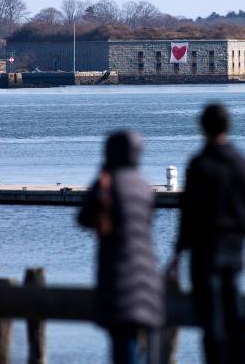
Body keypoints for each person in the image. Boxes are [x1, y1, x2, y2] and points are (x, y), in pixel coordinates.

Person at [168, 104, 245, 364]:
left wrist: (178, 251)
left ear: (202, 127)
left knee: (212, 320)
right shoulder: (243, 164)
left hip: (204, 250)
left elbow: (188, 213)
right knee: (235, 311)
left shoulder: (199, 165)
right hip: (233, 247)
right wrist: (240, 234)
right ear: (228, 126)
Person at [78, 131, 164, 364]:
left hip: (119, 277)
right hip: (148, 277)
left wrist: (100, 186)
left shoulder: (107, 184)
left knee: (123, 345)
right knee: (146, 345)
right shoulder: (144, 186)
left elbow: (84, 219)